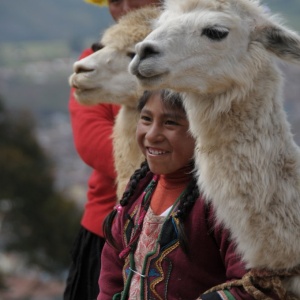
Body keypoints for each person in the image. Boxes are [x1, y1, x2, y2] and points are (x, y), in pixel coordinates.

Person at [98, 90, 279, 300]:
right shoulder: (137, 192)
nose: (151, 135)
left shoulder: (227, 203)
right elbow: (110, 279)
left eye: (170, 123)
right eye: (146, 119)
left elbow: (254, 287)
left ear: (204, 130)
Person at [64, 0, 162, 300]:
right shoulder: (97, 62)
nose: (127, 6)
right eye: (115, 0)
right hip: (108, 230)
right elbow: (92, 142)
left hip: (194, 228)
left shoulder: (195, 62)